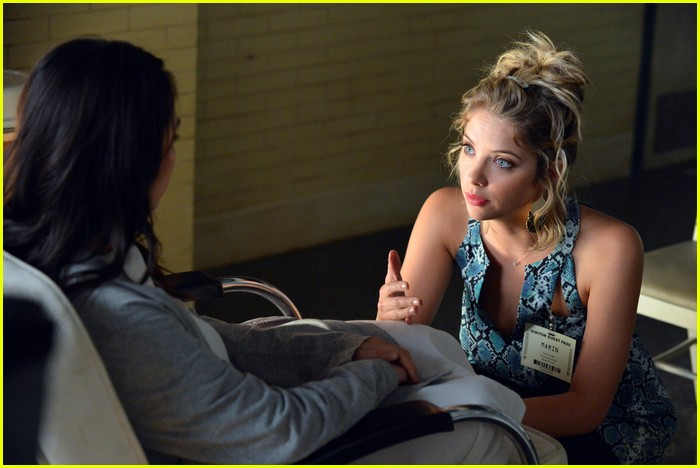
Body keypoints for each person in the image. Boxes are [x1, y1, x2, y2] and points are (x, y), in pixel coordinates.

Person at [3, 38, 425, 464]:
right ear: (132, 160)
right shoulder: (123, 317)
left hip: (236, 405)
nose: (172, 157)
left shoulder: (55, 254)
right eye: (171, 139)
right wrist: (373, 375)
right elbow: (278, 431)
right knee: (449, 383)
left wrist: (336, 351)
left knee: (417, 345)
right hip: (277, 440)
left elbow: (189, 342)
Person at [376, 30, 676, 464]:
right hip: (484, 406)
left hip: (601, 427)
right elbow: (399, 355)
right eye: (469, 149)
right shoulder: (445, 214)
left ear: (550, 172)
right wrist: (388, 325)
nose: (473, 177)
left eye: (502, 162)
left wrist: (467, 416)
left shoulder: (610, 249)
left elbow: (586, 408)